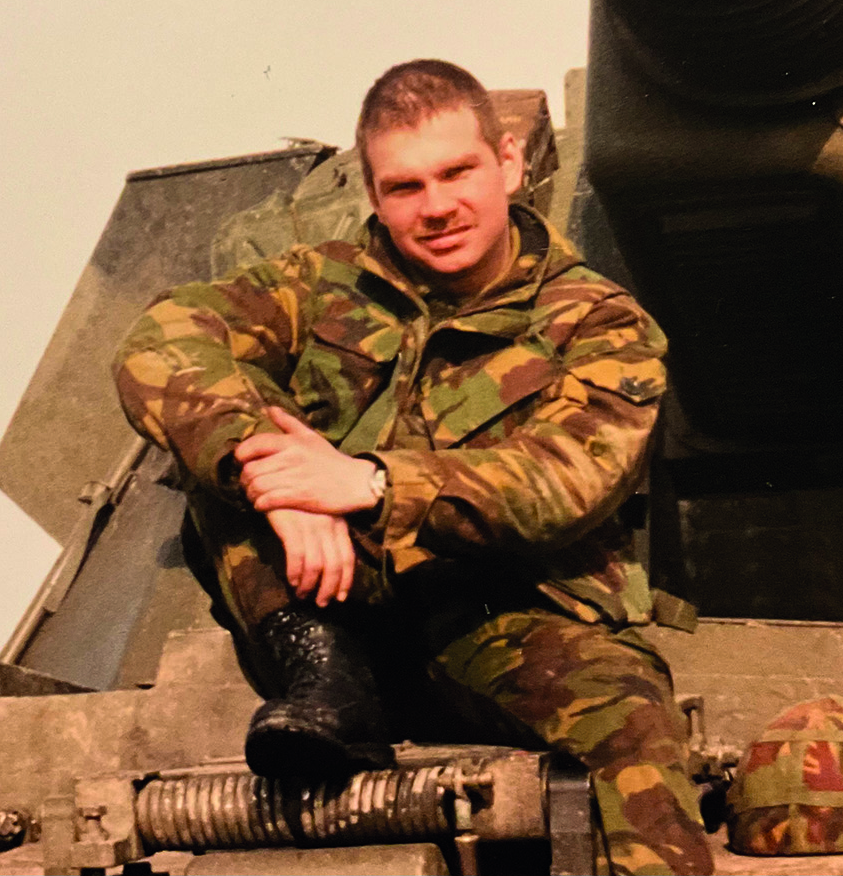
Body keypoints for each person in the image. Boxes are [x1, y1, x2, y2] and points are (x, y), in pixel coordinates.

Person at [113, 59, 713, 876]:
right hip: (315, 623)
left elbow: (564, 480)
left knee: (631, 719)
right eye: (404, 187)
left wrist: (367, 483)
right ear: (373, 191)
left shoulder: (599, 323)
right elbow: (159, 342)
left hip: (501, 627)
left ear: (507, 162)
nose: (435, 207)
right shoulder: (316, 287)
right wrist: (281, 483)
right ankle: (326, 673)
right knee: (223, 426)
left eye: (456, 171)